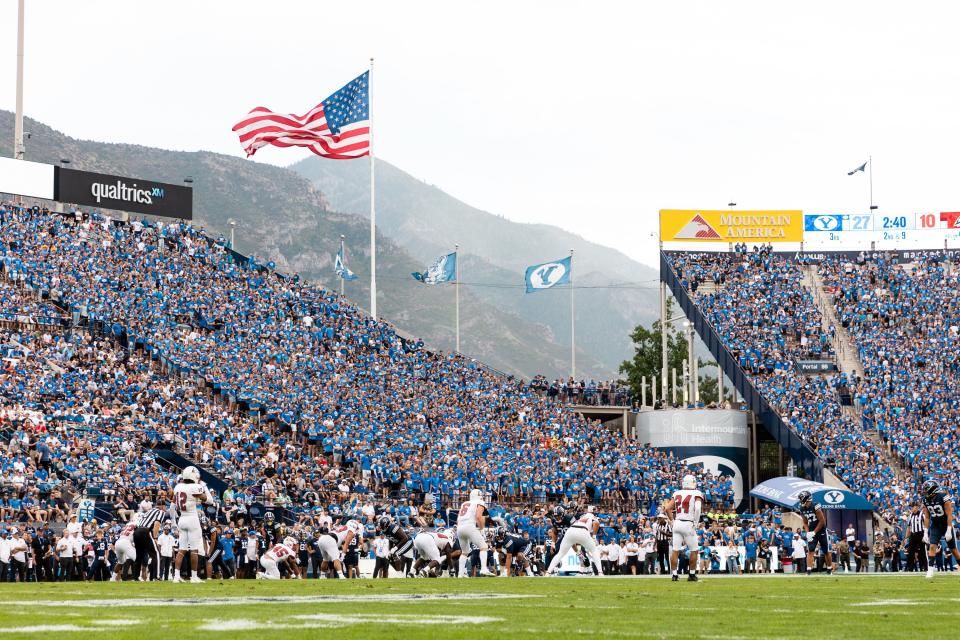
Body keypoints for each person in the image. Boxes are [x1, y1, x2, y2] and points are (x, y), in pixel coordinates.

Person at [171, 466, 215, 583]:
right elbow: (210, 500)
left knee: (182, 549)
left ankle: (176, 576)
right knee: (194, 549)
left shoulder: (178, 487)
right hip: (192, 518)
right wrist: (204, 486)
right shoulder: (195, 487)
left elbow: (174, 501)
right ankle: (194, 577)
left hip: (182, 519)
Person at [666, 474, 704, 582]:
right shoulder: (696, 493)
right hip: (688, 523)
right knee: (694, 550)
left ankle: (674, 575)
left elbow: (668, 508)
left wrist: (672, 522)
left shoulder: (677, 493)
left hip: (677, 522)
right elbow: (697, 508)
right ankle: (691, 575)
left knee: (675, 550)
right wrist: (695, 523)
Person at [545, 507, 604, 576]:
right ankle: (600, 572)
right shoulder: (591, 516)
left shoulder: (578, 518)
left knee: (560, 554)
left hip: (570, 531)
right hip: (582, 531)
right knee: (594, 550)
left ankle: (548, 572)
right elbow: (596, 523)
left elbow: (571, 537)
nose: (557, 518)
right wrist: (594, 537)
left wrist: (577, 552)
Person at [921, 479, 960, 578]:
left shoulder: (943, 496)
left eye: (926, 489)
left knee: (953, 550)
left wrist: (949, 529)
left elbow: (949, 514)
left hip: (946, 524)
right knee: (932, 546)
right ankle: (930, 571)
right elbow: (927, 516)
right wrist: (925, 532)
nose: (924, 492)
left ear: (932, 489)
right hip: (935, 525)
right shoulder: (925, 499)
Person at [456, 489, 493, 577]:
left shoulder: (464, 503)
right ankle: (484, 569)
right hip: (469, 526)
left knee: (464, 552)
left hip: (459, 527)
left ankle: (460, 574)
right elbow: (478, 516)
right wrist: (481, 528)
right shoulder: (479, 502)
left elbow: (458, 518)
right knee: (484, 547)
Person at [796, 490, 833, 575]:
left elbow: (822, 521)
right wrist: (808, 532)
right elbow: (805, 523)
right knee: (810, 550)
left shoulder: (816, 506)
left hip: (821, 531)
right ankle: (808, 571)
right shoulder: (802, 508)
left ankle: (829, 569)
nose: (800, 500)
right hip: (812, 531)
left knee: (826, 551)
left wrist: (814, 532)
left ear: (806, 498)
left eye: (801, 498)